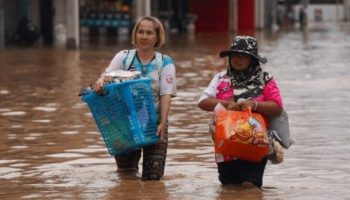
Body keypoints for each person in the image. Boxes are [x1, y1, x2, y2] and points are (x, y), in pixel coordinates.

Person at [93, 16, 177, 181]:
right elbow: (107, 76)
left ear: (157, 37)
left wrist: (162, 122)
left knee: (153, 177)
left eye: (149, 33)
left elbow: (166, 94)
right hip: (125, 123)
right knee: (126, 174)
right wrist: (100, 82)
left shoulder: (165, 62)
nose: (144, 36)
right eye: (141, 32)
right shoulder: (123, 57)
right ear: (135, 35)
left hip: (154, 122)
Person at [197, 35, 284, 188]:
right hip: (226, 144)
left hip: (256, 142)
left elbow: (277, 107)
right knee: (228, 188)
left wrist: (254, 105)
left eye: (243, 56)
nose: (237, 59)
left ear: (252, 59)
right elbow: (203, 102)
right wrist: (226, 104)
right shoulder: (220, 78)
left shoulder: (265, 79)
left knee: (250, 186)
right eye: (234, 55)